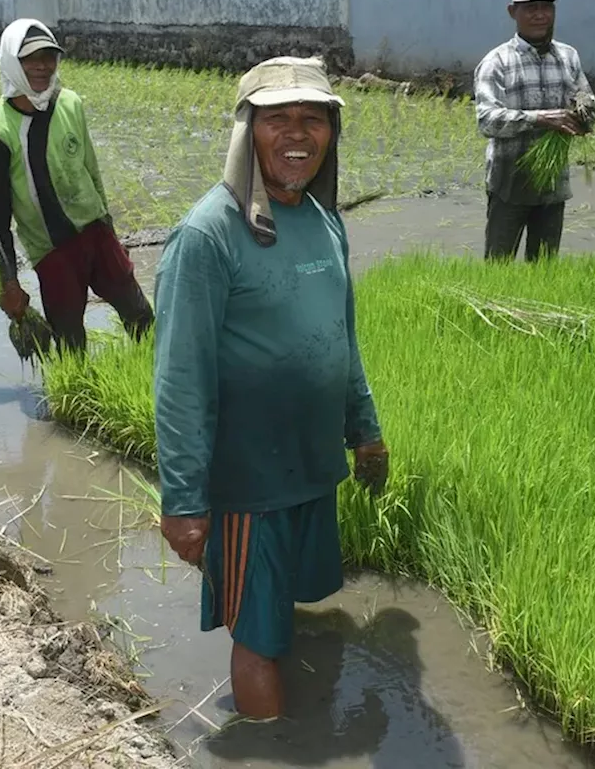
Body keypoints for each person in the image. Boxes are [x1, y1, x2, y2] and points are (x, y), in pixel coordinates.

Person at [151, 56, 390, 721]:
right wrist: (184, 501)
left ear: (331, 132)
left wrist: (365, 430)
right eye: (277, 118)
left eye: (313, 118)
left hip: (311, 469)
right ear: (246, 133)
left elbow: (341, 341)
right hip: (247, 485)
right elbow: (179, 379)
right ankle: (270, 743)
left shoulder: (323, 221)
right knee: (256, 639)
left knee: (283, 610)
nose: (297, 134)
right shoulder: (207, 236)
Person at [0, 18, 154, 356]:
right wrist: (9, 281)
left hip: (97, 235)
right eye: (30, 58)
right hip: (53, 250)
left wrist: (112, 232)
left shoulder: (70, 103)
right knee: (70, 342)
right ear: (12, 62)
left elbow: (91, 170)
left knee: (142, 317)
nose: (42, 66)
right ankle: (76, 403)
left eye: (49, 56)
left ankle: (163, 385)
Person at [474, 0, 595, 262]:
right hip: (509, 183)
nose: (540, 15)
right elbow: (487, 120)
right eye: (531, 8)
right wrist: (539, 118)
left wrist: (582, 115)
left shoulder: (568, 57)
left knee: (544, 268)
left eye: (547, 7)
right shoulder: (497, 62)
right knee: (498, 266)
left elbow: (588, 103)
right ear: (512, 12)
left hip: (553, 185)